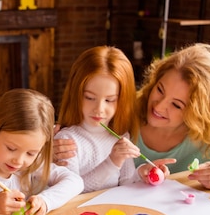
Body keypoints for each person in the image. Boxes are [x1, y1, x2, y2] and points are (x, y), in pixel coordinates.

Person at [54, 43, 210, 189]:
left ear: (201, 113)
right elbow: (84, 125)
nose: (159, 106)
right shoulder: (125, 112)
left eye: (177, 105)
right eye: (159, 90)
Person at [54, 46, 145, 193]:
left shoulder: (121, 136)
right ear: (76, 94)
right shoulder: (67, 140)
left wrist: (143, 174)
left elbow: (127, 183)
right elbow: (69, 192)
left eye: (109, 100)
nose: (99, 109)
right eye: (90, 97)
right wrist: (112, 162)